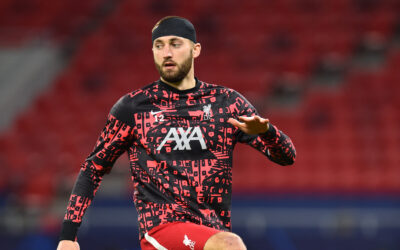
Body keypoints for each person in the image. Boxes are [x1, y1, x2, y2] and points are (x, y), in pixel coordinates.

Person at [57, 16, 296, 250]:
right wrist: (68, 237)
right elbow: (92, 169)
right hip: (161, 231)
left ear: (196, 50)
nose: (166, 53)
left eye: (175, 44)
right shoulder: (133, 108)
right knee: (230, 244)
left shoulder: (226, 104)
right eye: (159, 46)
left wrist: (266, 131)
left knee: (224, 241)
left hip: (211, 233)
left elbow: (287, 157)